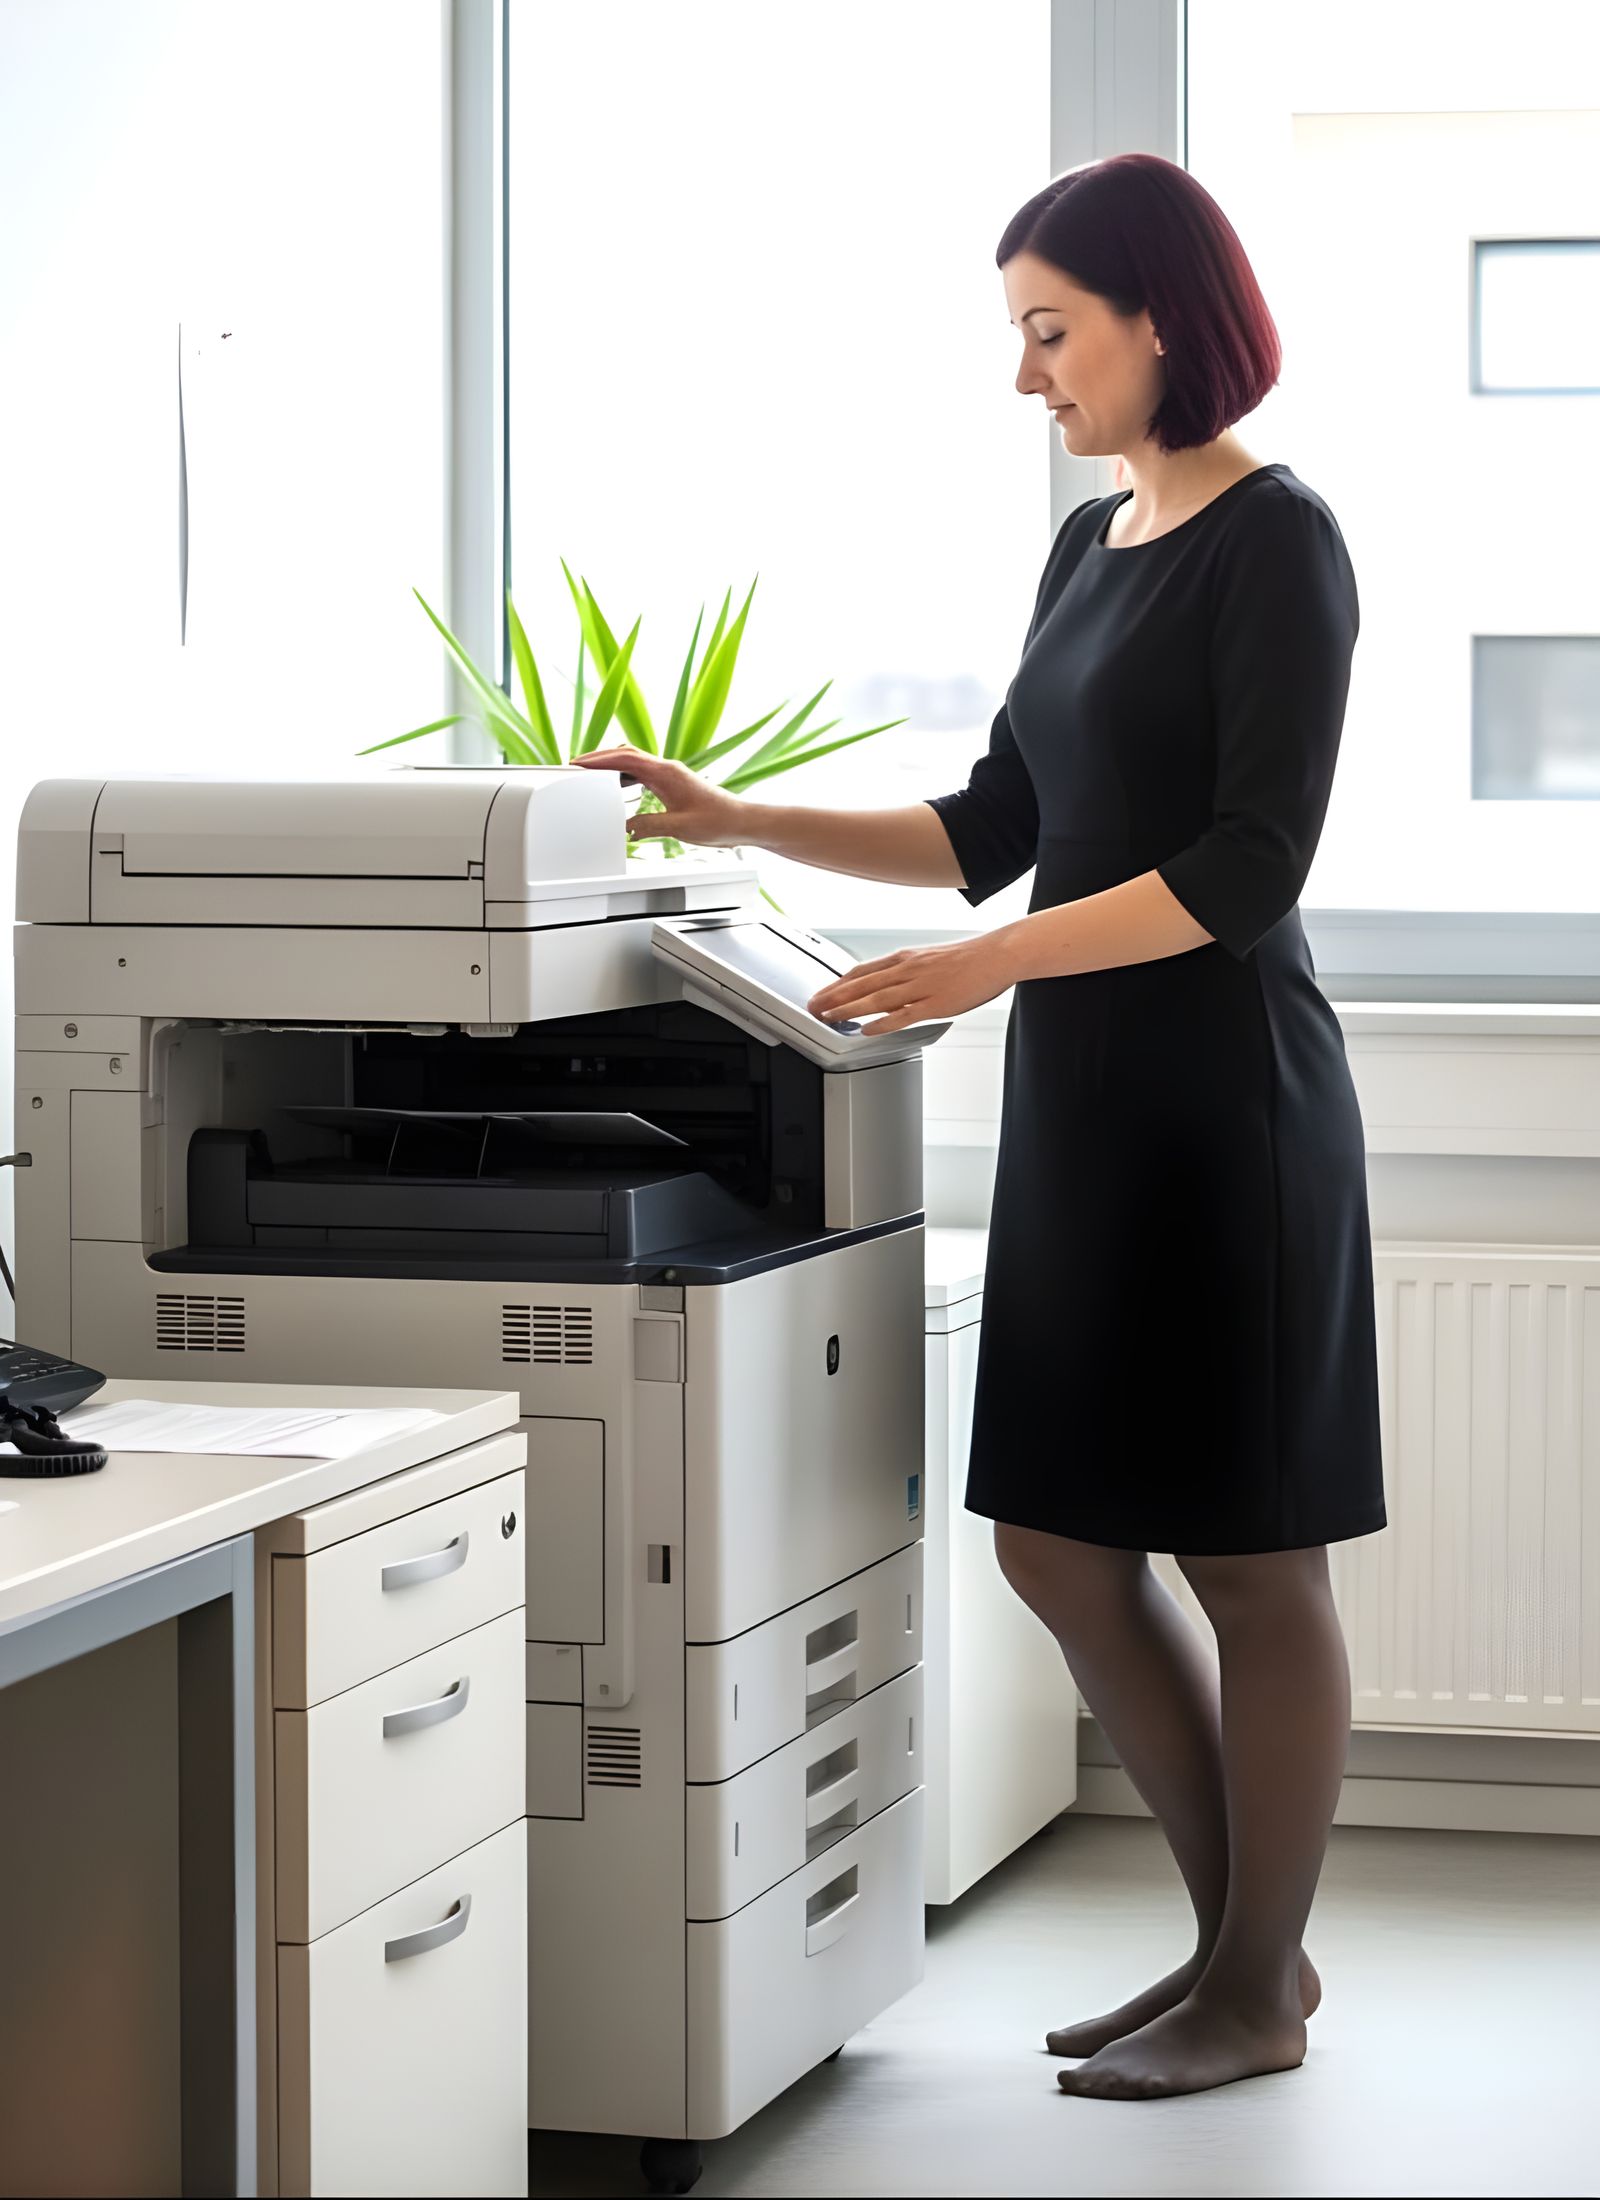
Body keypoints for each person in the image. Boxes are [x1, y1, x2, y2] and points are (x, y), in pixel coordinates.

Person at [573, 150, 1386, 2104]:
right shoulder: (1086, 543)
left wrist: (989, 965)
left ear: (1158, 320)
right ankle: (1236, 1955)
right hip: (1091, 1115)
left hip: (1227, 1112)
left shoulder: (1276, 541)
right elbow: (987, 821)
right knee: (1052, 1539)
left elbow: (1246, 865)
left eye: (1048, 329)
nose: (1027, 374)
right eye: (1018, 334)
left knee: (1253, 1560)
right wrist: (739, 814)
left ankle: (1249, 1977)